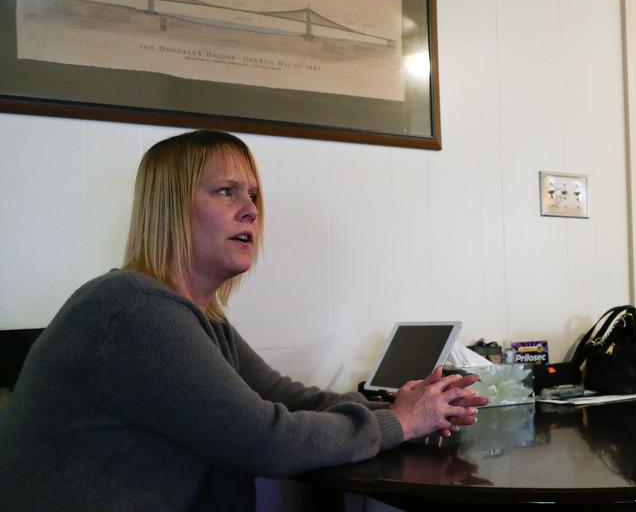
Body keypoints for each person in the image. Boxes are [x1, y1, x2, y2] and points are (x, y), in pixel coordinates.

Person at [0, 130, 487, 511]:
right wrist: (398, 423)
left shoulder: (197, 317)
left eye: (253, 195)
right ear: (169, 208)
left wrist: (405, 408)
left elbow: (286, 396)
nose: (251, 210)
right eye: (226, 192)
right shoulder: (133, 311)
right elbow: (266, 440)